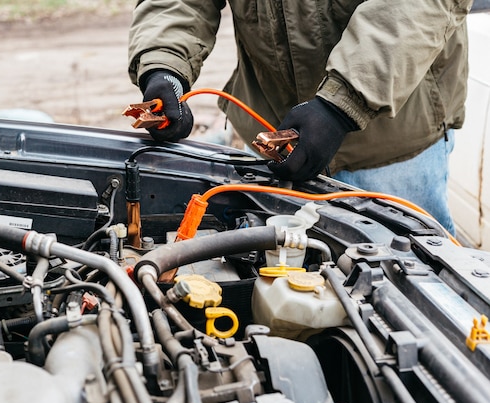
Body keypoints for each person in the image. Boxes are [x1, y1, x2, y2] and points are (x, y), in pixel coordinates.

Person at [127, 0, 473, 235]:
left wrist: (344, 103)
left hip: (392, 147)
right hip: (274, 137)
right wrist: (163, 64)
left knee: (417, 286)